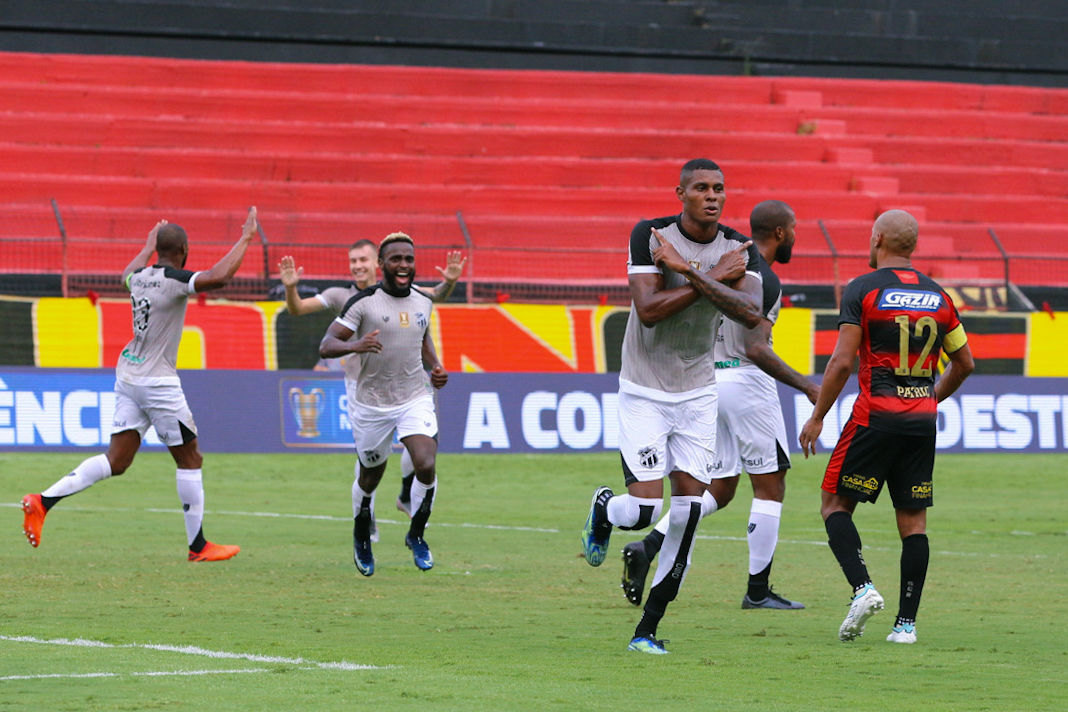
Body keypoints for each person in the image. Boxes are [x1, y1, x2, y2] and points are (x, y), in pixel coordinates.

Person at [580, 158, 763, 654]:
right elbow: (649, 311)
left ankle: (648, 628)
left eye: (719, 188)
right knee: (642, 511)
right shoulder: (651, 235)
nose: (712, 196)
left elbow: (749, 314)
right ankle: (604, 510)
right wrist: (708, 278)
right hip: (643, 388)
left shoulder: (739, 249)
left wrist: (688, 274)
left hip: (698, 392)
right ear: (680, 192)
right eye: (701, 188)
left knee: (685, 514)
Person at [21, 207, 260, 562]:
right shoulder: (175, 279)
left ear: (157, 249)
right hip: (158, 384)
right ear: (183, 250)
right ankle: (198, 547)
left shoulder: (140, 277)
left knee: (117, 461)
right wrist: (245, 238)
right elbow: (219, 277)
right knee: (190, 458)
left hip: (129, 375)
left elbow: (124, 275)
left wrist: (147, 245)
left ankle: (42, 501)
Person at [621, 200, 820, 611]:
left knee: (721, 487)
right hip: (745, 383)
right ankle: (758, 590)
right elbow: (755, 346)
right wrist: (806, 385)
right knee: (770, 484)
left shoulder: (723, 260)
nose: (796, 235)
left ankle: (650, 543)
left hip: (708, 381)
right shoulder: (760, 277)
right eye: (795, 228)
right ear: (780, 233)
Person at [799, 210, 974, 644]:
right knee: (913, 522)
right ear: (911, 246)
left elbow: (842, 361)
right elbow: (966, 364)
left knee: (834, 504)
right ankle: (906, 626)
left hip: (875, 416)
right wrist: (930, 397)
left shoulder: (863, 289)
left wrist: (818, 415)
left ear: (877, 238)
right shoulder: (939, 296)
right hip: (922, 422)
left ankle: (862, 589)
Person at [278, 244, 464, 526]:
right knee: (370, 458)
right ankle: (369, 515)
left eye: (362, 259)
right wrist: (291, 288)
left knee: (420, 446)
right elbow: (298, 308)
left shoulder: (401, 291)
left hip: (408, 383)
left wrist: (449, 280)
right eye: (352, 260)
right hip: (362, 388)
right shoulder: (339, 295)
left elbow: (435, 295)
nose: (357, 265)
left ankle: (405, 494)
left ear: (376, 263)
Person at [319, 232, 449, 576]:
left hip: (413, 396)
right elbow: (327, 344)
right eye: (396, 259)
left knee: (425, 462)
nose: (404, 265)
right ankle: (361, 532)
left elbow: (423, 339)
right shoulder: (363, 303)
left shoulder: (423, 301)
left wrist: (435, 367)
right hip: (371, 404)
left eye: (409, 259)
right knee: (371, 476)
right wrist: (356, 345)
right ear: (382, 265)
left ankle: (417, 535)